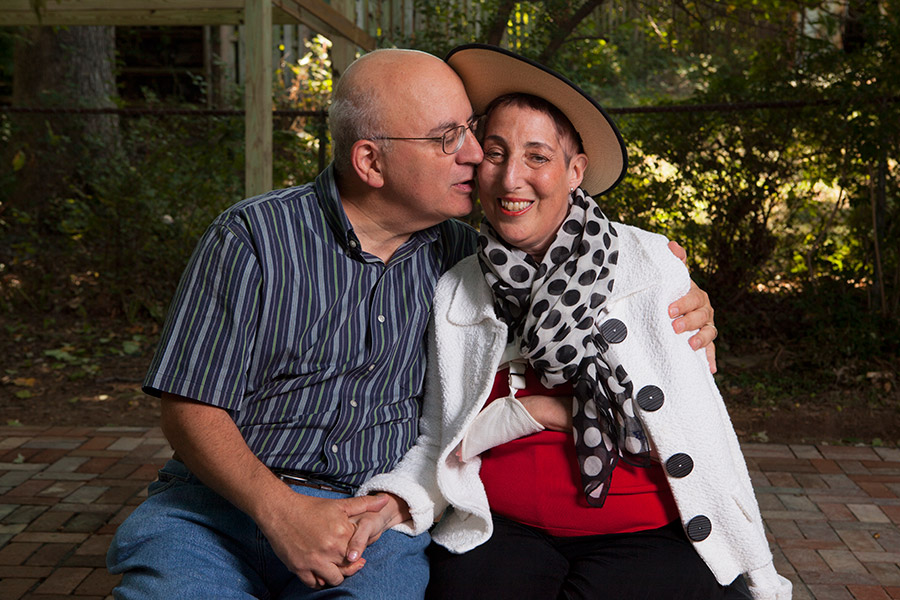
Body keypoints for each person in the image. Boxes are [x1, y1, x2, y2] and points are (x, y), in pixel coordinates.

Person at [106, 47, 718, 599]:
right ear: (371, 161)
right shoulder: (254, 239)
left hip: (369, 515)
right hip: (221, 506)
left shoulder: (467, 261)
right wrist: (282, 512)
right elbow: (189, 406)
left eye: (470, 132)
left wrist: (674, 281)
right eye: (449, 137)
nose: (476, 155)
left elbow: (578, 249)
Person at [351, 45, 792, 600]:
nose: (512, 178)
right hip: (501, 528)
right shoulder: (456, 286)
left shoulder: (650, 263)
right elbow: (444, 439)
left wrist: (537, 413)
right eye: (495, 152)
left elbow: (693, 426)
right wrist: (401, 499)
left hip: (642, 530)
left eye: (537, 157)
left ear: (575, 171)